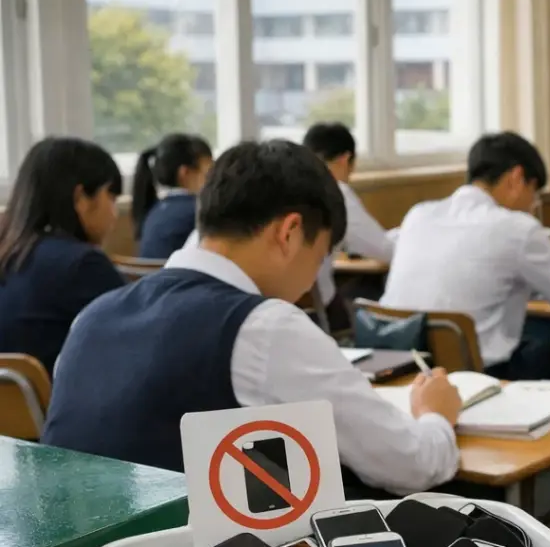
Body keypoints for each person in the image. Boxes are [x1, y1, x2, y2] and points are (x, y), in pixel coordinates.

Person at [42, 140, 463, 498]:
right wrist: (436, 414)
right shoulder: (263, 327)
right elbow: (412, 466)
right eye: (320, 257)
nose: (309, 282)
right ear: (289, 233)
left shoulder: (92, 317)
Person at [381, 132, 550, 380]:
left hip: (399, 368)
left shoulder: (418, 215)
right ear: (516, 178)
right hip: (479, 377)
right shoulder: (517, 229)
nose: (533, 204)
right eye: (534, 191)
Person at [0, 137, 125, 372]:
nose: (115, 213)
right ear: (80, 198)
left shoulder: (10, 253)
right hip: (58, 395)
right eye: (111, 196)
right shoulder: (82, 266)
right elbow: (137, 346)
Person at [302, 122, 396, 315]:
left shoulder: (288, 184)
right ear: (345, 159)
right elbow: (385, 250)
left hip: (281, 304)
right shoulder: (337, 192)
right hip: (317, 309)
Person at [132, 133, 213, 260]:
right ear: (185, 173)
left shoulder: (154, 210)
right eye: (209, 173)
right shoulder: (199, 211)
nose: (213, 180)